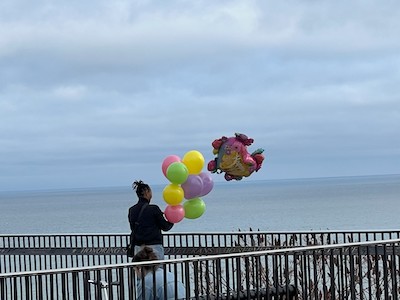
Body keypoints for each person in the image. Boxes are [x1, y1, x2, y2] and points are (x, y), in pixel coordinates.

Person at [128, 180, 174, 260]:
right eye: (150, 192)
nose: (151, 194)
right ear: (146, 192)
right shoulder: (154, 209)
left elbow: (132, 228)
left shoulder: (132, 210)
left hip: (138, 247)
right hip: (154, 247)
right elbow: (165, 227)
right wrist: (172, 220)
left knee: (142, 271)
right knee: (157, 270)